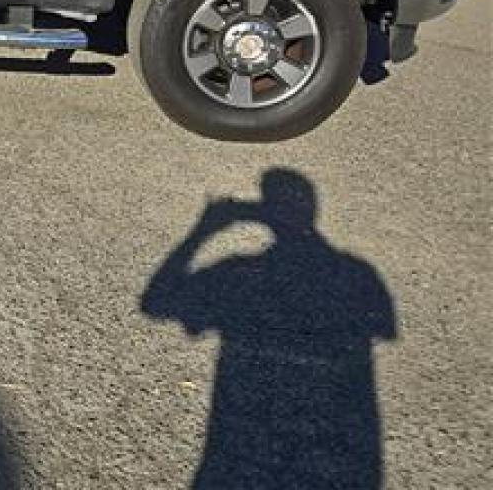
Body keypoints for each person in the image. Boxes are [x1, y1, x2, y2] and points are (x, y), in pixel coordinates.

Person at [141, 168, 396, 489]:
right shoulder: (357, 275)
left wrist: (205, 230)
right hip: (336, 456)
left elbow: (156, 302)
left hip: (239, 456)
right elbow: (384, 327)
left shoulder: (240, 276)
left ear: (263, 213)